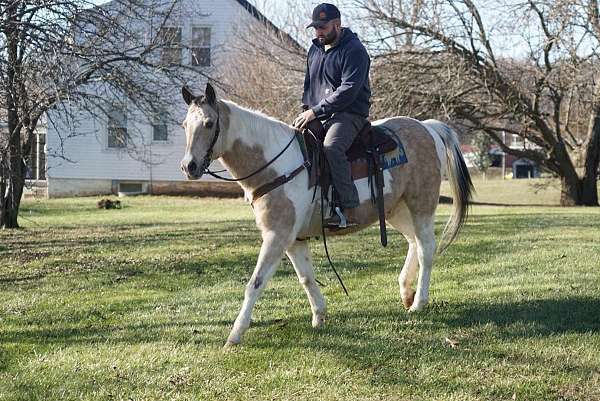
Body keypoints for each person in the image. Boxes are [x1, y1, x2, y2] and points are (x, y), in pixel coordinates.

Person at [293, 3, 371, 228]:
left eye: (323, 27)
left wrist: (315, 112)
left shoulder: (355, 50)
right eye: (315, 27)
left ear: (337, 24)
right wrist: (305, 111)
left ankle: (349, 209)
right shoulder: (314, 49)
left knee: (332, 148)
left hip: (348, 114)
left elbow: (348, 91)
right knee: (293, 142)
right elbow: (309, 86)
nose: (318, 32)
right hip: (317, 113)